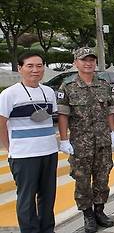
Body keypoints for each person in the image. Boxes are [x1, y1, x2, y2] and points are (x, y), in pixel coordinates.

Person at [56, 48, 114, 232]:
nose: (88, 63)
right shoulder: (67, 86)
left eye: (91, 60)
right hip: (80, 143)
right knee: (82, 180)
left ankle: (100, 211)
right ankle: (87, 215)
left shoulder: (103, 85)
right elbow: (63, 115)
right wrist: (64, 139)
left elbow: (110, 111)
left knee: (102, 177)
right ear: (76, 62)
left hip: (102, 141)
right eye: (84, 60)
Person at [0, 52, 58, 233]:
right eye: (30, 66)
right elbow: (1, 123)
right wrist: (10, 149)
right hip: (24, 155)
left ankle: (48, 229)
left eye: (39, 66)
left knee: (48, 197)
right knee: (26, 199)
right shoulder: (9, 94)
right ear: (20, 68)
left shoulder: (48, 92)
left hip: (49, 151)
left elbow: (53, 119)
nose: (35, 70)